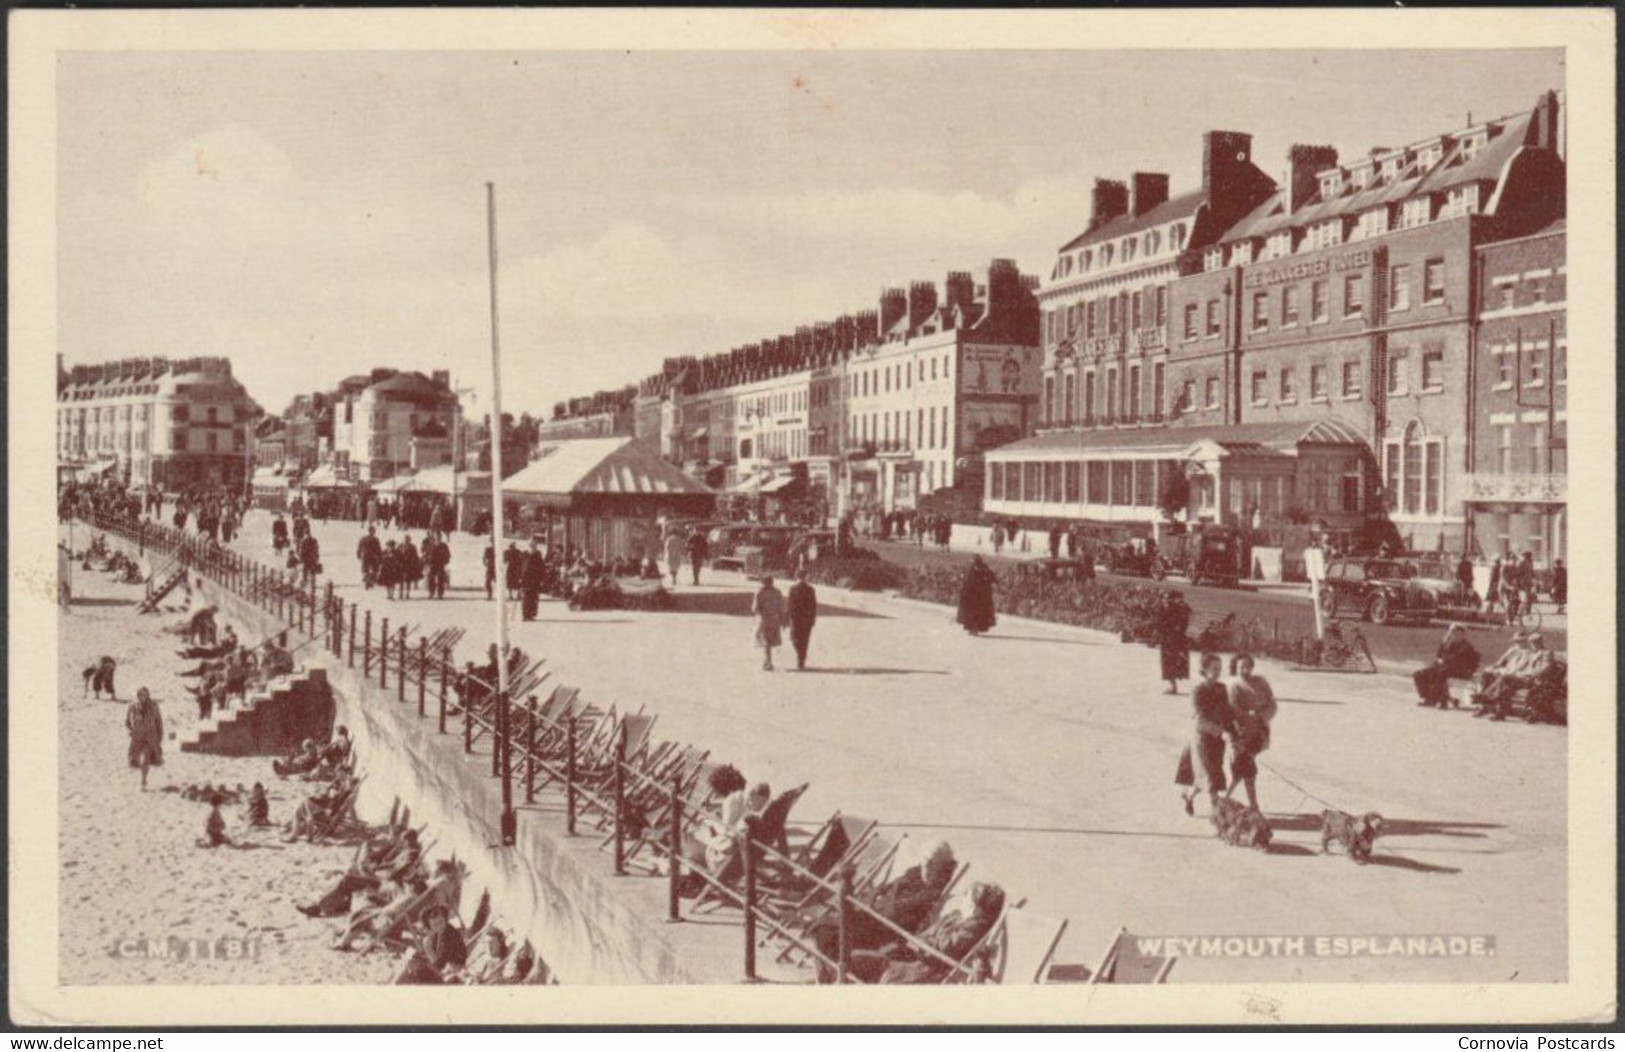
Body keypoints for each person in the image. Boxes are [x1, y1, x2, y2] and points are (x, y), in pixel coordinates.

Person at [1175, 653, 1235, 817]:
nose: (1217, 672)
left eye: (1220, 669)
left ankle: (1188, 795)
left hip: (1218, 742)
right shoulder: (1197, 689)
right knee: (1210, 780)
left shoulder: (1221, 688)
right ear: (1204, 669)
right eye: (1214, 668)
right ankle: (1220, 820)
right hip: (1201, 741)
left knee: (1208, 777)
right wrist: (1221, 732)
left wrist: (1235, 730)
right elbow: (1199, 720)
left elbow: (1227, 713)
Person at [1225, 653, 1277, 812]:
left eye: (1248, 667)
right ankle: (1251, 806)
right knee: (1244, 772)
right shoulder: (1233, 685)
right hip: (1240, 735)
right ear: (1236, 667)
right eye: (1241, 667)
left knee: (1243, 771)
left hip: (1258, 733)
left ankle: (1223, 799)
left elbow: (1272, 704)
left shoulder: (1261, 682)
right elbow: (1232, 711)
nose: (1245, 670)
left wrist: (1262, 717)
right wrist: (1249, 717)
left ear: (1252, 667)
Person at [1413, 623, 1480, 708]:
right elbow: (1439, 655)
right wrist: (1444, 643)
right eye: (1452, 632)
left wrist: (1443, 662)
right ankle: (1428, 697)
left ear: (1462, 634)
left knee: (1440, 673)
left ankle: (1441, 700)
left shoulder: (1466, 646)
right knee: (1419, 674)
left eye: (1455, 632)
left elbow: (1457, 661)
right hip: (1448, 668)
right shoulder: (1450, 644)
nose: (1453, 634)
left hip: (1461, 671)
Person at [125, 687, 164, 790]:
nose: (143, 697)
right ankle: (142, 777)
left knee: (146, 759)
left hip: (150, 736)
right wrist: (129, 731)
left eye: (145, 695)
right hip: (137, 737)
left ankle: (143, 780)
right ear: (138, 695)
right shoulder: (132, 706)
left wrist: (159, 738)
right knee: (133, 760)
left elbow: (159, 722)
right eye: (141, 695)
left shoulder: (154, 706)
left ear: (148, 695)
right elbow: (127, 722)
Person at [1159, 591, 1192, 695]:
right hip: (1171, 639)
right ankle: (1173, 685)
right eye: (1164, 598)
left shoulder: (1175, 609)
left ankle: (1173, 687)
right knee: (1170, 662)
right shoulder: (1170, 608)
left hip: (1173, 640)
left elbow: (1179, 625)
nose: (1165, 600)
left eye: (1167, 598)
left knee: (1170, 662)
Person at [956, 555, 997, 636]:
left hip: (979, 596)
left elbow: (991, 578)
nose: (975, 562)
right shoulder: (970, 567)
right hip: (972, 595)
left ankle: (974, 629)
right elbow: (965, 580)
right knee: (971, 613)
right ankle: (972, 629)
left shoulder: (982, 568)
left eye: (976, 561)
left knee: (976, 614)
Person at [752, 575, 787, 671]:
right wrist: (783, 620)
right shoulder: (778, 592)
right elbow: (782, 608)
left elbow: (754, 608)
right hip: (775, 620)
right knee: (769, 641)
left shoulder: (760, 592)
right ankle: (768, 661)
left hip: (764, 619)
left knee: (765, 641)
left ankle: (768, 662)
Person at [787, 570, 818, 671]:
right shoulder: (811, 589)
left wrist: (789, 617)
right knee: (805, 640)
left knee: (794, 638)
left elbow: (790, 605)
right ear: (805, 576)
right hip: (806, 619)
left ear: (796, 576)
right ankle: (801, 659)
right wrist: (813, 618)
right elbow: (813, 606)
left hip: (796, 618)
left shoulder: (793, 589)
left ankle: (800, 658)